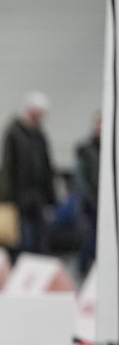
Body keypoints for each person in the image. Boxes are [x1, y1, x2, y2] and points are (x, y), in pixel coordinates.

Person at [0, 91, 57, 254]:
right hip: (18, 198)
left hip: (37, 198)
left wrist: (51, 198)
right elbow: (7, 167)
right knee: (23, 242)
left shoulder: (40, 136)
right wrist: (6, 198)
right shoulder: (13, 133)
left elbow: (46, 168)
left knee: (39, 242)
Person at [74, 111, 101, 275]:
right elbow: (80, 177)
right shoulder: (85, 148)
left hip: (101, 200)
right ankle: (83, 269)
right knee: (89, 236)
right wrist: (90, 196)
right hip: (89, 202)